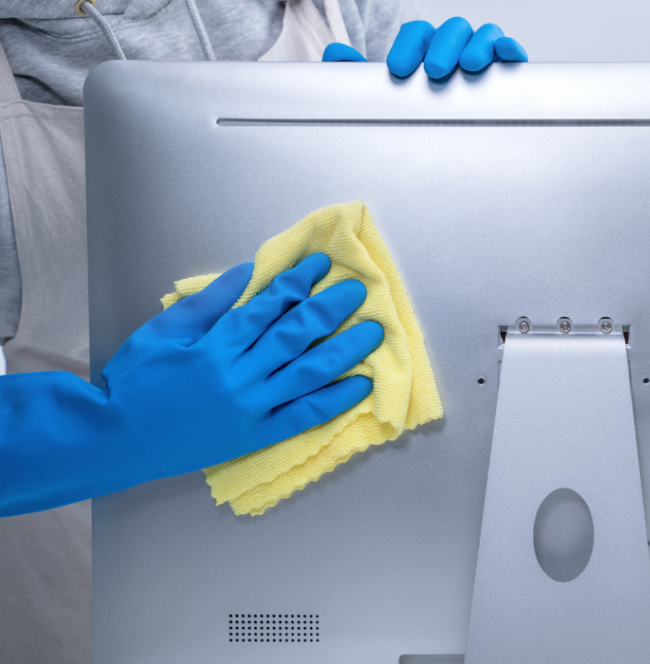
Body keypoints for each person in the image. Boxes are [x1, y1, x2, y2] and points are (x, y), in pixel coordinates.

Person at [0, 2, 527, 661]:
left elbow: (441, 288)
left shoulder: (337, 8)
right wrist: (104, 427)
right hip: (89, 613)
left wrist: (486, 146)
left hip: (378, 580)